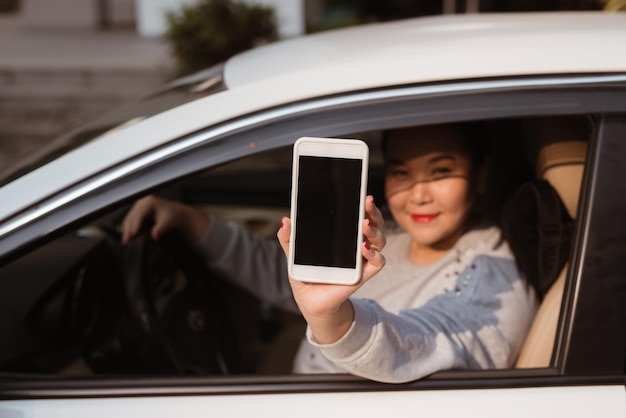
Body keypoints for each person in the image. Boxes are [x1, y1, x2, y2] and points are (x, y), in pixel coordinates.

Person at [121, 122, 538, 383]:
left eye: (442, 171)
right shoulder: (387, 233)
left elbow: (434, 340)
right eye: (400, 173)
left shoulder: (492, 268)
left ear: (481, 175)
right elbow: (285, 276)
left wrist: (332, 318)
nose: (418, 194)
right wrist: (191, 221)